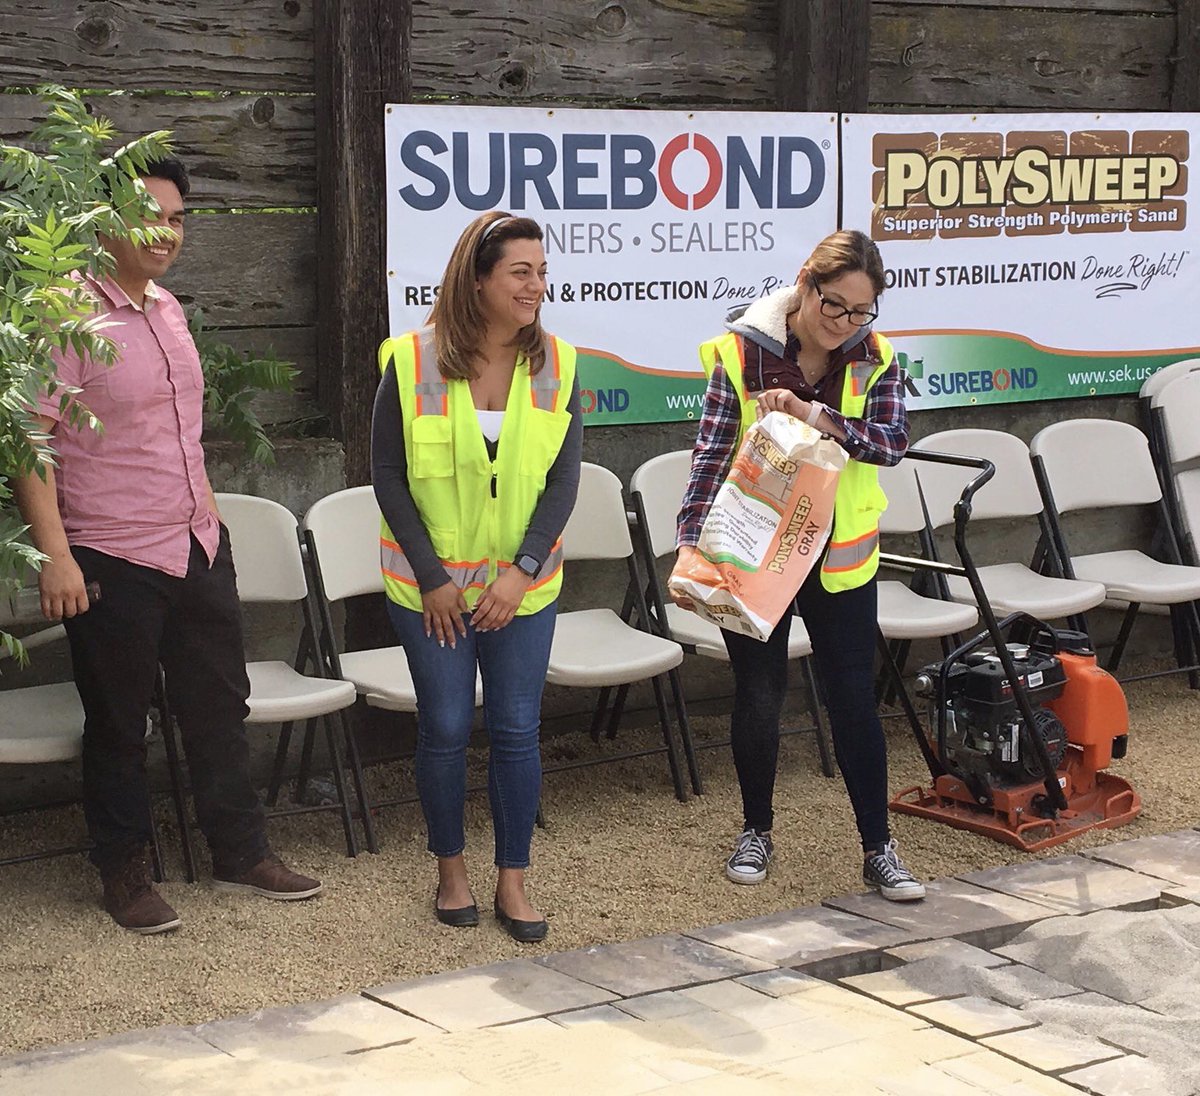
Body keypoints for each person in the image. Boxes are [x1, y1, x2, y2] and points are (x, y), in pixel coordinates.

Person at [13, 158, 322, 935]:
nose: (167, 232)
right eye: (152, 215)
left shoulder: (170, 309)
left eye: (179, 218)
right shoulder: (64, 314)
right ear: (103, 222)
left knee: (220, 705)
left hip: (195, 543)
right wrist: (55, 553)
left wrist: (209, 519)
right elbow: (27, 439)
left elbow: (180, 434)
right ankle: (124, 873)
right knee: (119, 722)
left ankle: (239, 849)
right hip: (111, 555)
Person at [672, 229, 925, 901]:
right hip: (756, 552)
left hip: (840, 556)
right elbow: (712, 453)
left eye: (860, 312)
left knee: (852, 700)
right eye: (833, 306)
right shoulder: (740, 352)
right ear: (804, 286)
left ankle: (880, 848)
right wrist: (692, 544)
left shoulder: (877, 358)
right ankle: (756, 829)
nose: (844, 324)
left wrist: (821, 416)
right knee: (759, 693)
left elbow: (893, 444)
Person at [371, 211, 582, 942]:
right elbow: (388, 475)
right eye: (521, 271)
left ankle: (514, 883)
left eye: (542, 271)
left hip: (522, 591)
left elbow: (563, 482)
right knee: (449, 727)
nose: (536, 285)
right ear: (480, 276)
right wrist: (432, 579)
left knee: (519, 730)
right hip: (431, 593)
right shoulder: (411, 358)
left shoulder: (559, 360)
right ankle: (450, 874)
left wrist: (523, 572)